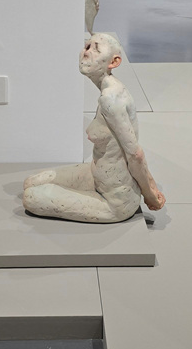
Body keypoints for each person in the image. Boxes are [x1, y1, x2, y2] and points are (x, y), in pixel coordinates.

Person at [23, 34, 166, 223]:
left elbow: (135, 154)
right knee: (31, 182)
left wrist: (150, 193)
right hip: (95, 175)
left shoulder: (111, 100)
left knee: (31, 197)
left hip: (114, 200)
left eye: (96, 49)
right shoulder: (109, 92)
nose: (86, 52)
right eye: (87, 46)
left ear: (114, 62)